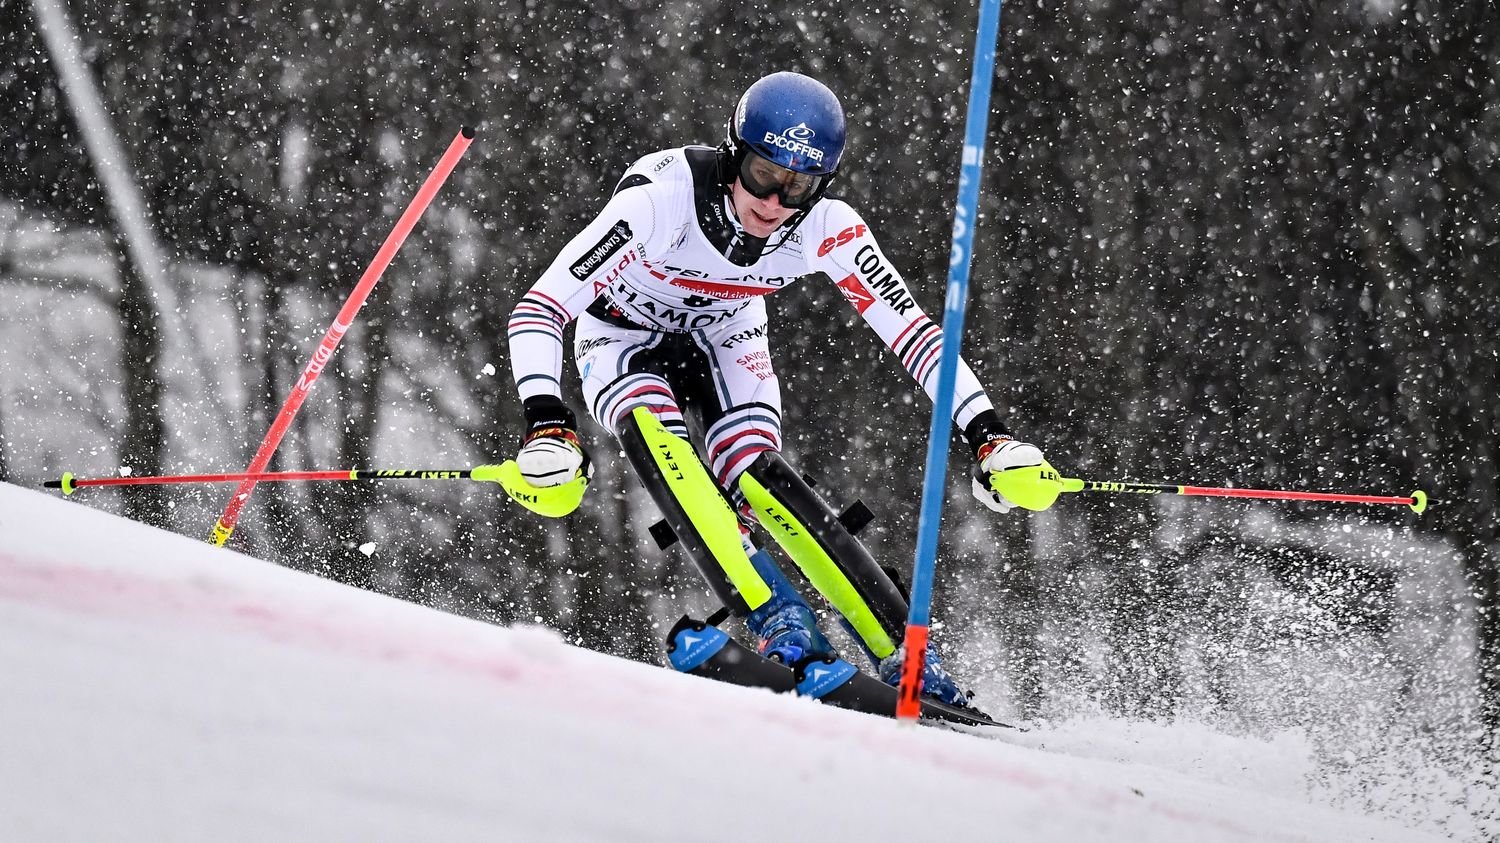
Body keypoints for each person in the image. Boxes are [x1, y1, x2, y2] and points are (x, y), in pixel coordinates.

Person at [501, 71, 1058, 708]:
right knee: (661, 443)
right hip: (621, 336)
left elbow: (913, 334)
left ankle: (905, 653)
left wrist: (990, 436)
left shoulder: (828, 226)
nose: (774, 203)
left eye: (799, 186)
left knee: (754, 470)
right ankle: (780, 622)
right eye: (764, 174)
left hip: (727, 333)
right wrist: (548, 423)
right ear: (735, 152)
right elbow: (540, 309)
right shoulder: (659, 199)